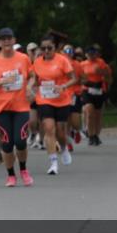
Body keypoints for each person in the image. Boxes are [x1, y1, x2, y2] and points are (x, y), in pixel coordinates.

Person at [0, 28, 34, 187]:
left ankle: (24, 170)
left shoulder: (24, 58)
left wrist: (29, 87)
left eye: (9, 38)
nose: (6, 41)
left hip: (21, 107)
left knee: (20, 141)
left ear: (14, 40)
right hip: (2, 108)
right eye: (3, 38)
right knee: (6, 144)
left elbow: (32, 76)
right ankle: (11, 175)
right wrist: (2, 82)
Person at [30, 35, 77, 176]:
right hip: (44, 100)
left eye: (49, 48)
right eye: (43, 48)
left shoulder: (62, 60)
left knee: (61, 132)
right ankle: (53, 163)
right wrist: (31, 87)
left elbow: (74, 79)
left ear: (55, 48)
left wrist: (63, 86)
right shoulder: (37, 62)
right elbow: (34, 79)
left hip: (61, 99)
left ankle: (63, 148)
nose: (46, 51)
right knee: (49, 128)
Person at [81, 45, 113, 146]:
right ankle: (91, 136)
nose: (91, 56)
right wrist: (87, 82)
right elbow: (78, 79)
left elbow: (109, 78)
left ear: (96, 54)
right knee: (90, 112)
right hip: (87, 90)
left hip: (99, 91)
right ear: (86, 55)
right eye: (89, 54)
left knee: (98, 115)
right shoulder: (82, 65)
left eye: (93, 54)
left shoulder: (101, 63)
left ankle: (96, 135)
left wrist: (102, 72)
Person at [24, 42, 43, 149]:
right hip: (31, 95)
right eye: (32, 50)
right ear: (28, 52)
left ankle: (40, 139)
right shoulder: (27, 63)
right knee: (32, 120)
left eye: (36, 50)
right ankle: (33, 133)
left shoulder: (43, 64)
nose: (34, 52)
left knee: (42, 119)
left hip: (43, 94)